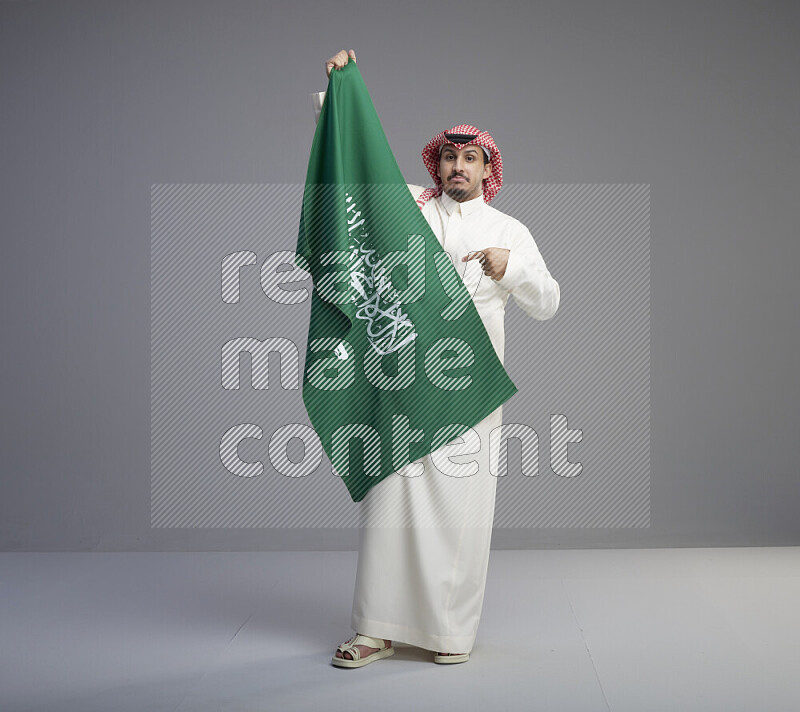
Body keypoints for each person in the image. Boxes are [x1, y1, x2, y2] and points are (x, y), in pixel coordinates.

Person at [314, 50, 561, 667]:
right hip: (403, 382)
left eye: (469, 158)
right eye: (448, 157)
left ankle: (449, 635)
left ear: (486, 168)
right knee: (389, 503)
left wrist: (517, 270)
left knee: (460, 511)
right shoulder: (410, 211)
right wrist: (340, 90)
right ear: (437, 163)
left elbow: (550, 303)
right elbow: (357, 168)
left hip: (470, 389)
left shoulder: (510, 229)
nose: (457, 167)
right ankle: (376, 629)